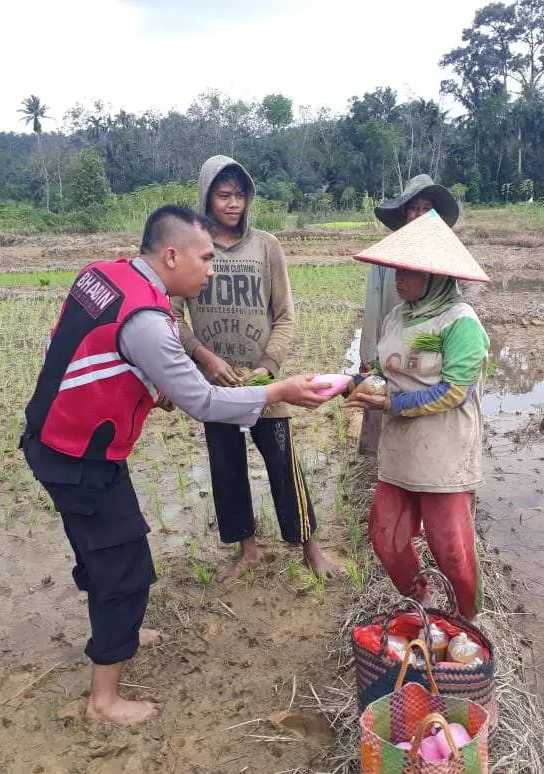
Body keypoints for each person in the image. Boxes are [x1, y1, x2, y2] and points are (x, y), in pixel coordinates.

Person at [21, 205, 332, 725]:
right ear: (171, 255)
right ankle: (104, 700)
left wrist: (145, 384)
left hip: (57, 437)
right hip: (78, 457)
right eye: (206, 258)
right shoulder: (148, 319)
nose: (212, 270)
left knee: (108, 548)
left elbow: (81, 347)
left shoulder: (102, 276)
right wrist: (277, 390)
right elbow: (204, 402)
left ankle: (119, 632)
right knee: (123, 569)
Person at [172, 155, 335, 579]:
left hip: (266, 382)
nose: (233, 204)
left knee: (284, 463)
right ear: (207, 197)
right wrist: (204, 358)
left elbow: (284, 315)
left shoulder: (266, 246)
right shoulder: (194, 248)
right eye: (223, 195)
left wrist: (268, 366)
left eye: (240, 195)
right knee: (226, 468)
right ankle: (248, 550)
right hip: (216, 384)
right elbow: (170, 315)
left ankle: (310, 548)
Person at [344, 210, 490, 620]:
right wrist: (348, 385)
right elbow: (376, 368)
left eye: (409, 270)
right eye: (396, 269)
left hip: (443, 453)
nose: (398, 278)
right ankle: (419, 599)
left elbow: (455, 391)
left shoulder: (459, 322)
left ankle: (467, 619)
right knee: (386, 537)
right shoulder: (397, 316)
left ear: (437, 276)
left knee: (452, 551)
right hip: (400, 450)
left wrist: (391, 403)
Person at [359, 174, 461, 372]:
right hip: (392, 343)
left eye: (426, 208)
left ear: (435, 215)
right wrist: (368, 356)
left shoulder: (445, 255)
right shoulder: (387, 255)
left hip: (428, 349)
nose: (419, 214)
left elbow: (453, 304)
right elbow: (373, 307)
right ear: (405, 214)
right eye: (414, 208)